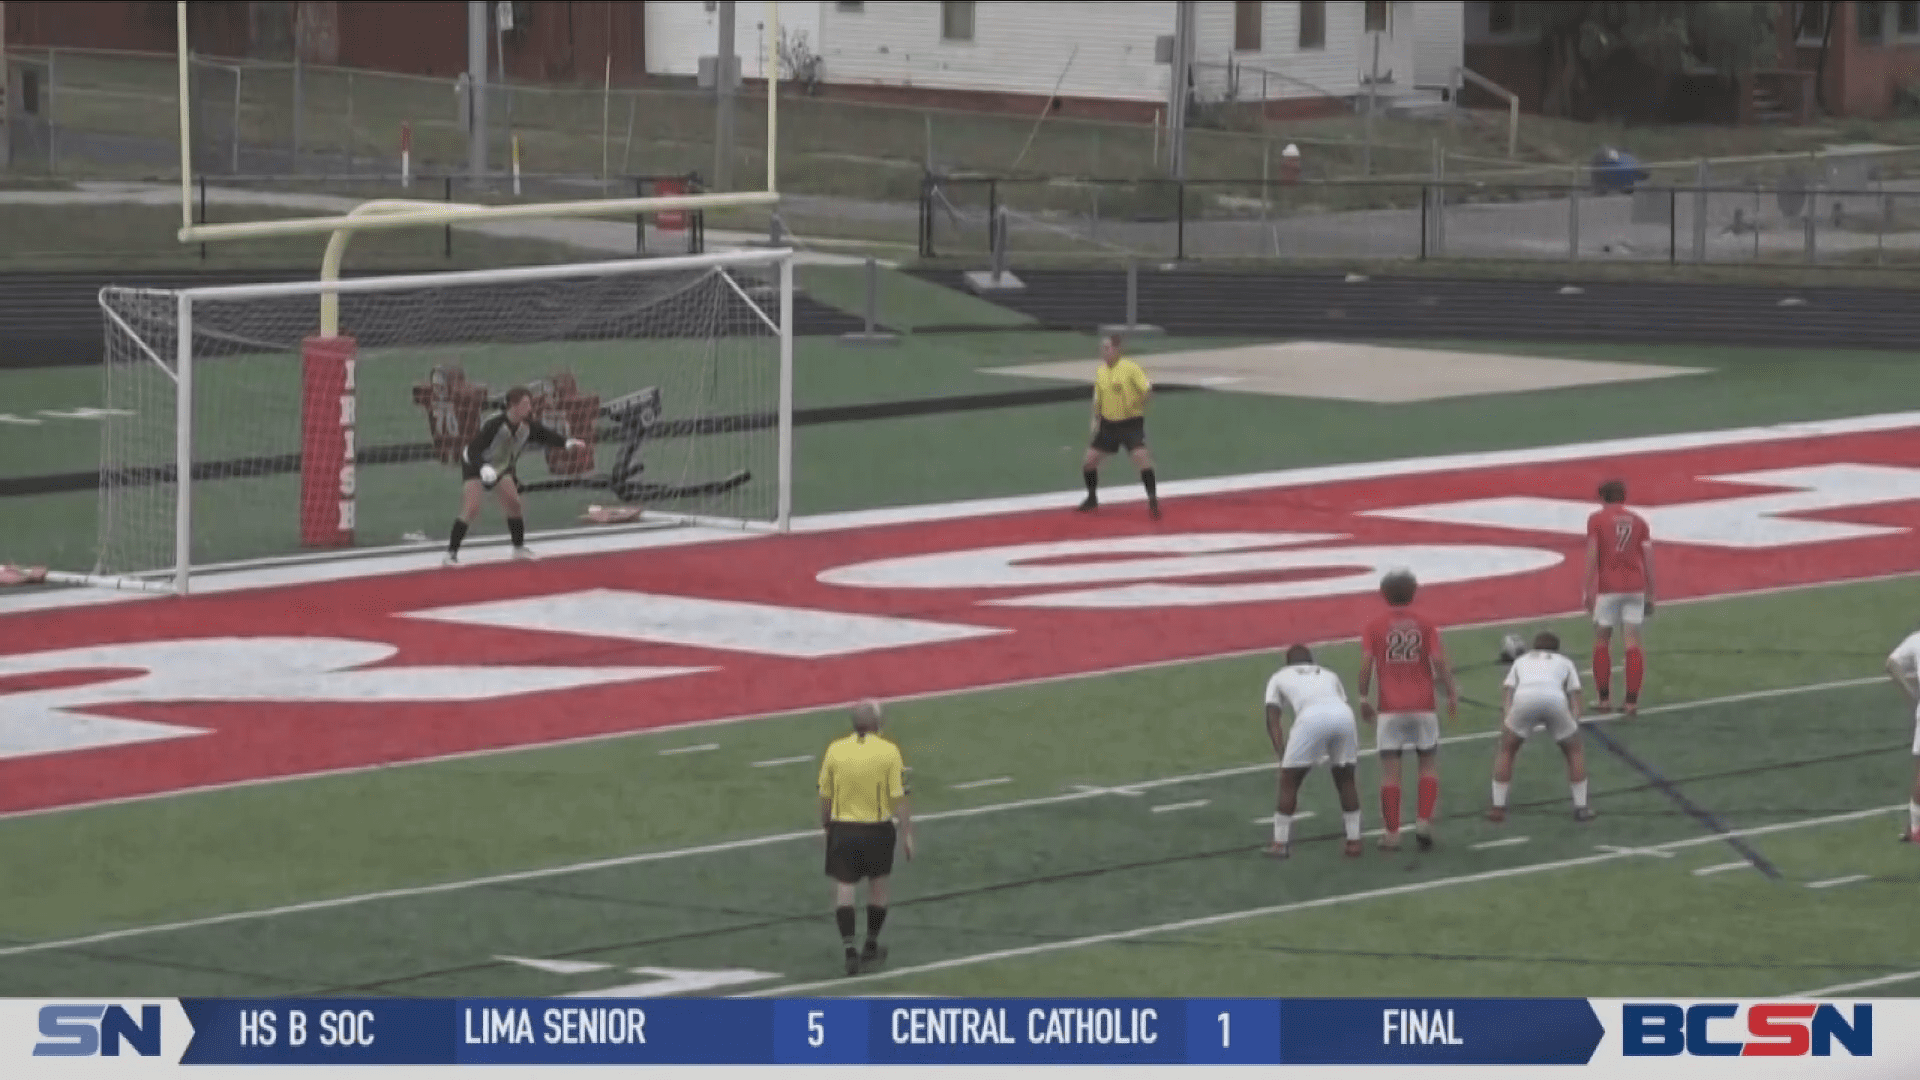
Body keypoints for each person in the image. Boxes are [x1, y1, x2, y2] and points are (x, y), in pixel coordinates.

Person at [1357, 569, 1458, 852]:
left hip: (1390, 708)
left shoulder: (1374, 626)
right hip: (1423, 704)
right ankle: (1424, 820)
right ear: (1413, 592)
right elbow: (1438, 661)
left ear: (1383, 594)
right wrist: (1450, 692)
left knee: (1390, 773)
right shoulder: (1425, 624)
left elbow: (1366, 665)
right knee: (1427, 765)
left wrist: (1363, 698)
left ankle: (1392, 834)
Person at [817, 699, 914, 975]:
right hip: (877, 828)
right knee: (878, 887)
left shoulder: (835, 750)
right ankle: (871, 943)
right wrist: (907, 834)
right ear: (877, 723)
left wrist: (826, 825)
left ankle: (849, 948)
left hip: (844, 827)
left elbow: (825, 794)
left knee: (845, 888)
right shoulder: (889, 751)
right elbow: (900, 797)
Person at [446, 386, 585, 566]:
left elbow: (545, 435)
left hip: (501, 467)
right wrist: (483, 468)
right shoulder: (495, 425)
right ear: (513, 405)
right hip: (475, 465)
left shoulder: (527, 426)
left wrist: (567, 442)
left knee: (514, 504)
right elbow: (473, 450)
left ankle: (518, 548)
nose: (529, 408)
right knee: (471, 508)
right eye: (525, 404)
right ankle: (451, 553)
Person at [1263, 645, 1365, 859]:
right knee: (1346, 778)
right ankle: (1354, 841)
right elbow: (1340, 704)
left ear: (1288, 662)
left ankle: (1280, 843)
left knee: (1289, 780)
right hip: (1344, 716)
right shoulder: (1329, 674)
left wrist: (1282, 756)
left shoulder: (1279, 676)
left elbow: (1273, 719)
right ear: (1311, 661)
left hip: (1311, 718)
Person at [1488, 631, 1594, 823]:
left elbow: (1508, 688)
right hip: (1555, 700)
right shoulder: (1564, 661)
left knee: (1507, 749)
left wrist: (1508, 714)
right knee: (1574, 750)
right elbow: (1575, 693)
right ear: (1557, 648)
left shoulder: (1521, 661)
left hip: (1524, 700)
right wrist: (1575, 719)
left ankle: (1498, 807)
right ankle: (1581, 807)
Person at [1584, 479, 1655, 715]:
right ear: (1623, 496)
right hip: (1635, 586)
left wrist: (1588, 589)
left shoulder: (1597, 520)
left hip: (1609, 587)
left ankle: (1604, 700)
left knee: (1602, 639)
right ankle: (1631, 702)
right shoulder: (1639, 521)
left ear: (1602, 497)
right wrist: (1651, 593)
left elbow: (1593, 554)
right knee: (1632, 642)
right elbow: (1649, 559)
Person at [1078, 335, 1161, 519]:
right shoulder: (1101, 372)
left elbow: (1147, 390)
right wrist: (1096, 419)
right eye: (1102, 349)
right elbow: (1098, 398)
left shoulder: (1130, 368)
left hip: (1130, 423)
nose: (1103, 352)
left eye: (1107, 348)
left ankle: (1153, 500)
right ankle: (1092, 498)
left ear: (1117, 349)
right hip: (1109, 426)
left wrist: (1137, 404)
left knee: (1141, 459)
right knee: (1089, 462)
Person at [1882, 629, 1920, 844]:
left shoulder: (1916, 639)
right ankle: (1915, 829)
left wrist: (1910, 690)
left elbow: (1891, 664)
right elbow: (1891, 663)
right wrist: (1911, 691)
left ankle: (1912, 828)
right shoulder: (1916, 640)